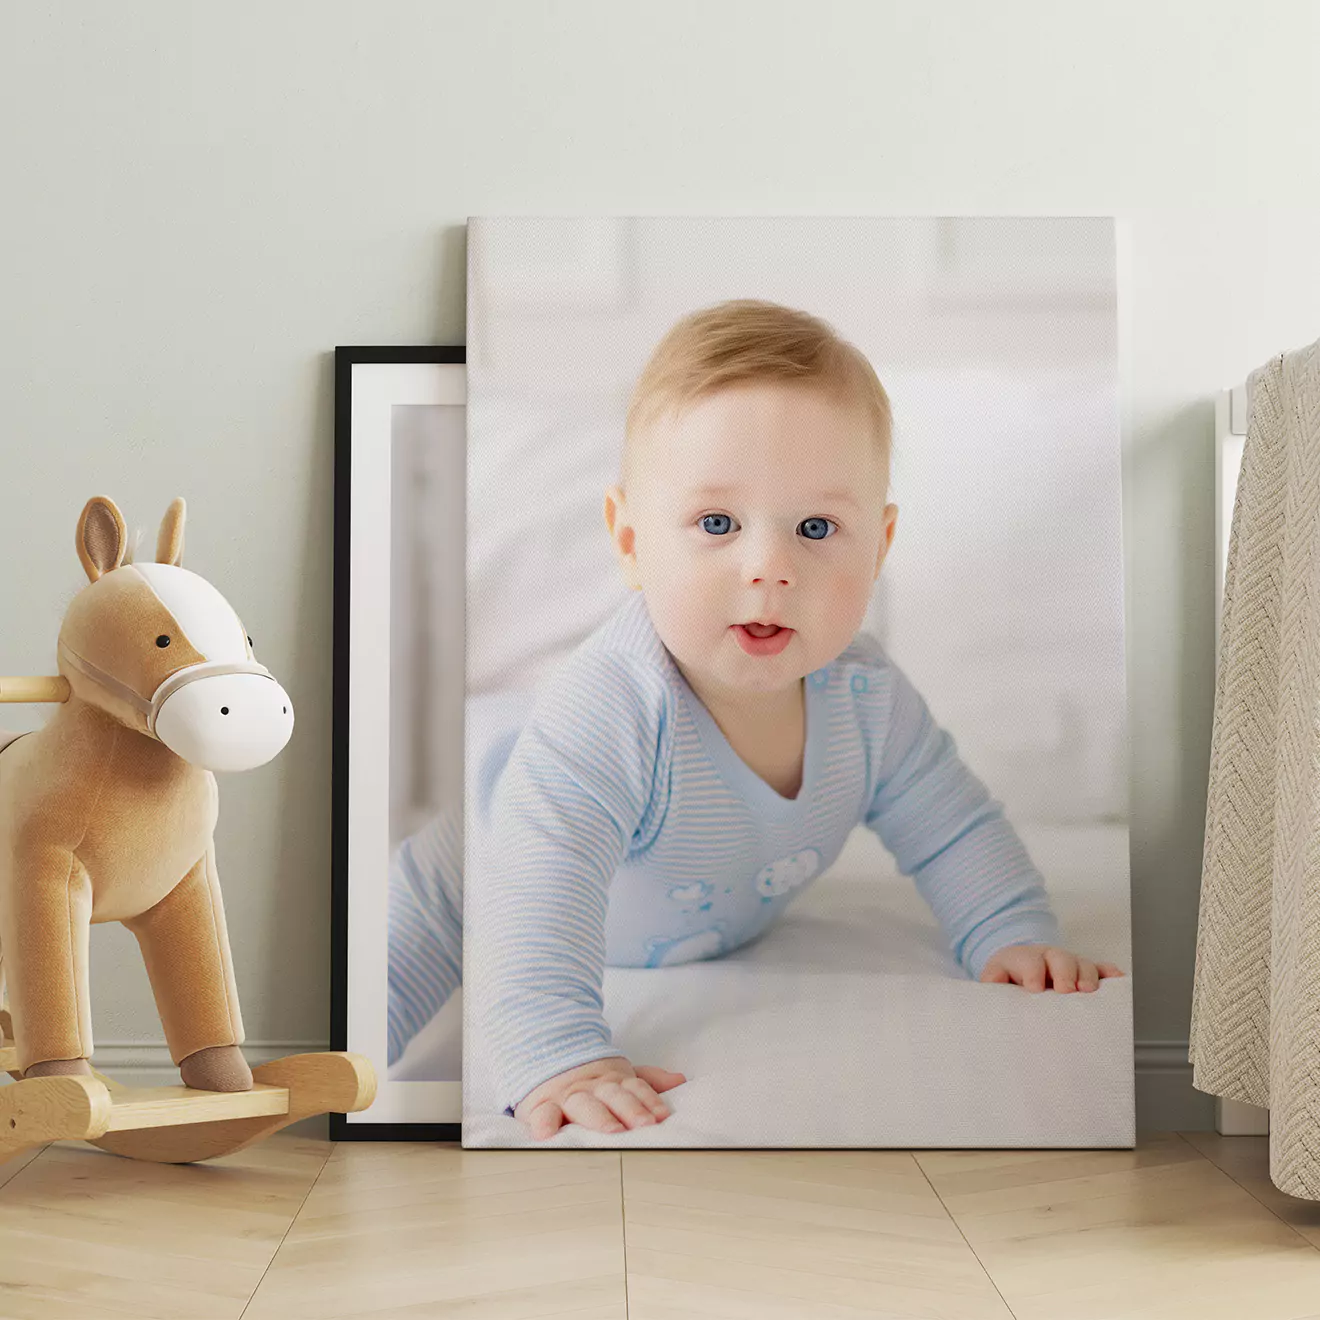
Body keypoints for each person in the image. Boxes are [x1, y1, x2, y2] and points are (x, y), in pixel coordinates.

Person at [389, 298, 1125, 1140]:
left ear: (879, 546)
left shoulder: (868, 701)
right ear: (629, 541)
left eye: (817, 527)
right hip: (488, 855)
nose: (770, 568)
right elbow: (541, 892)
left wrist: (1010, 931)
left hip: (681, 919)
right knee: (393, 965)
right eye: (716, 523)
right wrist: (557, 1052)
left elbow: (953, 826)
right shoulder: (613, 710)